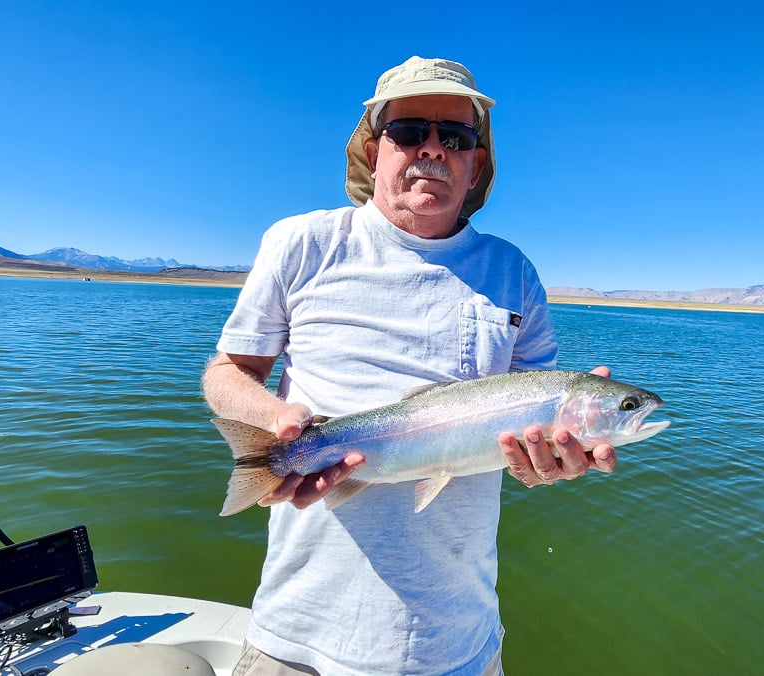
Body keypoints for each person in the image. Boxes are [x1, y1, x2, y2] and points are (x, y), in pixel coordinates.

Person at [202, 56, 617, 675]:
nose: (432, 149)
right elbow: (227, 372)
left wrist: (550, 464)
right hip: (295, 639)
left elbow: (532, 445)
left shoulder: (514, 272)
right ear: (374, 150)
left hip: (453, 645)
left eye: (454, 137)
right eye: (409, 131)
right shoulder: (303, 242)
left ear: (476, 162)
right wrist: (278, 421)